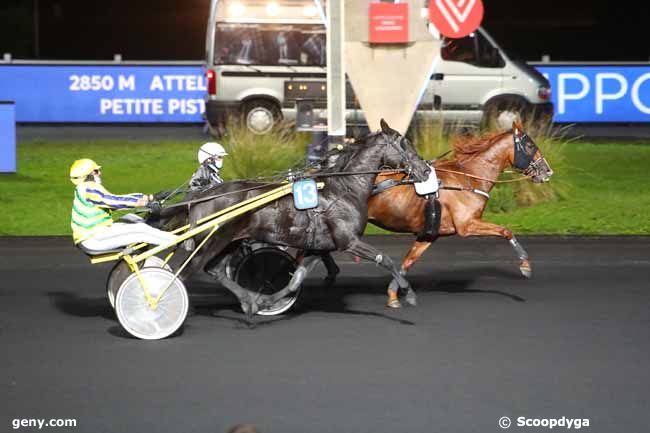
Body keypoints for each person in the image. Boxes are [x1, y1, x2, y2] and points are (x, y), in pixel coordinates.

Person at [69, 158, 177, 253]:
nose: (100, 173)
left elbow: (114, 202)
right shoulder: (88, 188)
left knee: (131, 218)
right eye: (96, 171)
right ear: (87, 176)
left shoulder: (85, 188)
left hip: (94, 234)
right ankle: (179, 241)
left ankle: (155, 232)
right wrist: (146, 202)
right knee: (140, 229)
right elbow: (114, 201)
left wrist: (151, 197)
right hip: (92, 239)